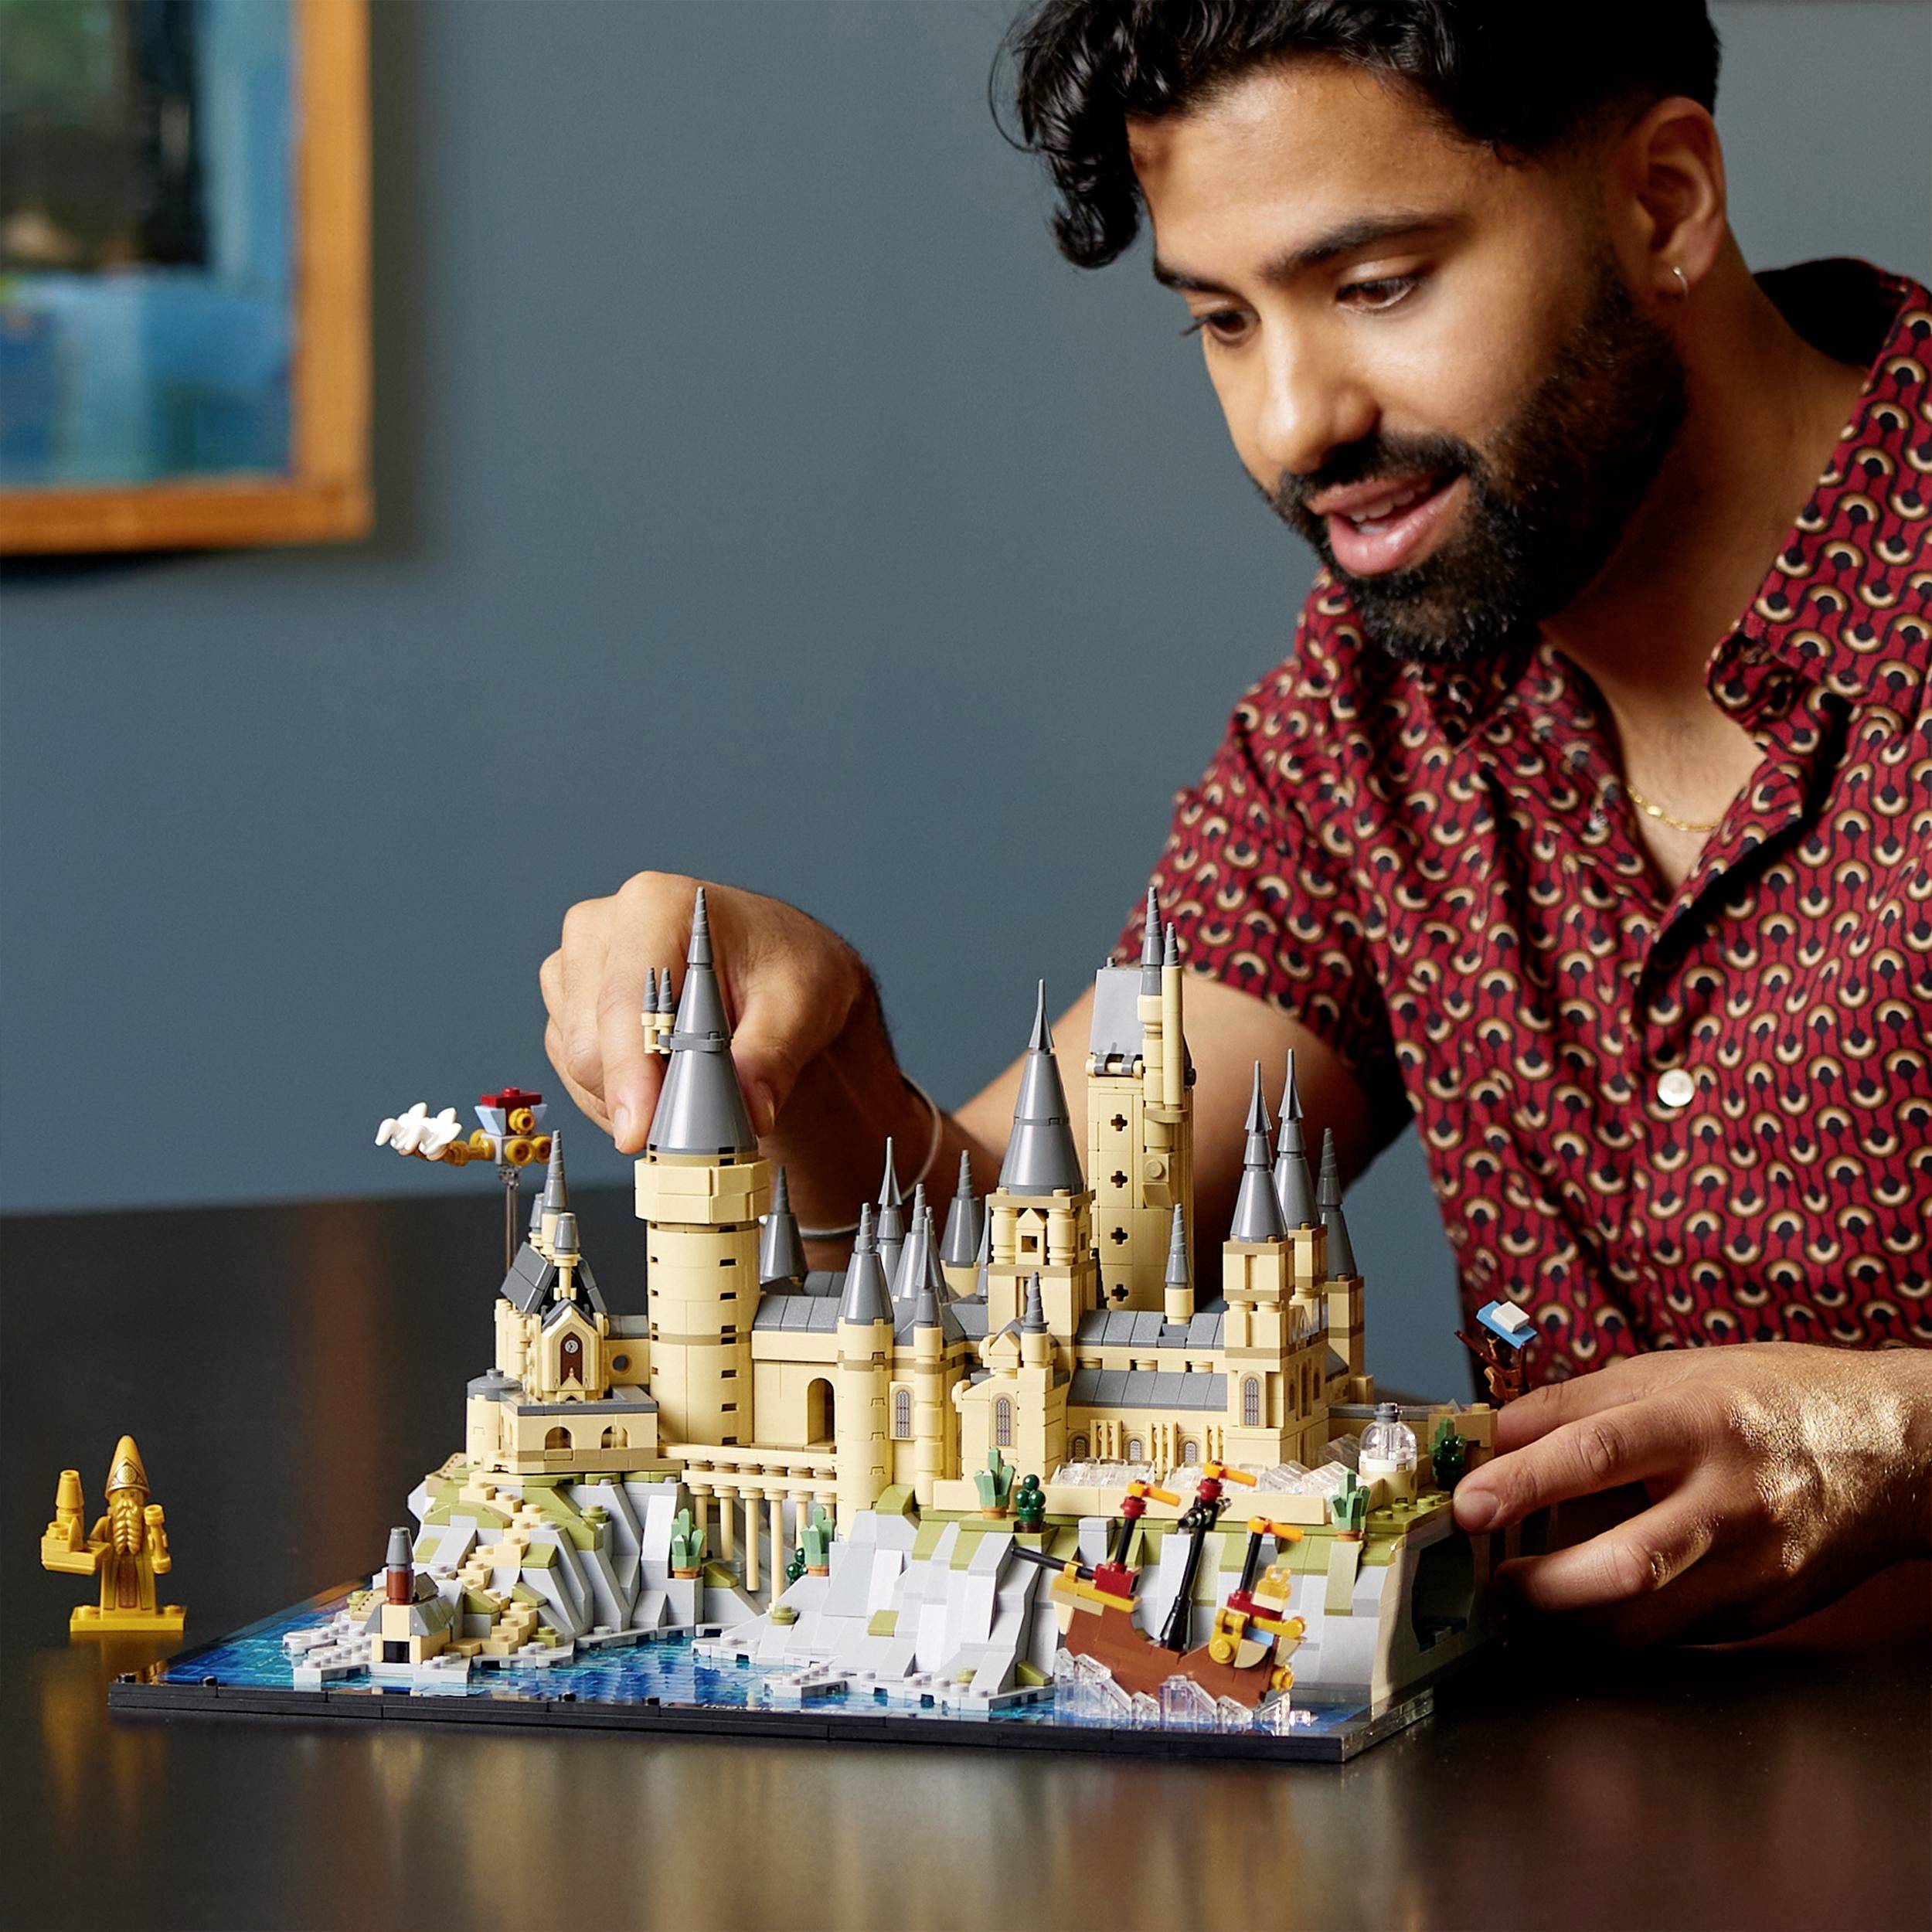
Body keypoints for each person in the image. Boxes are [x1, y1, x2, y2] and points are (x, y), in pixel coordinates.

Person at [542, 0, 1930, 1641]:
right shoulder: (1370, 708)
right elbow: (1018, 1269)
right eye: (1218, 318)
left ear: (1661, 204)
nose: (1289, 425)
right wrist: (824, 1057)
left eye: (1372, 287)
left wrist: (1903, 1436)